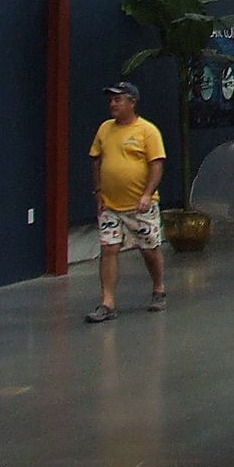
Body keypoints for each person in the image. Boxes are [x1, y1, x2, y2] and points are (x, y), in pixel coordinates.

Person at [86, 81, 166, 323]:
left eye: (118, 100)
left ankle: (159, 288)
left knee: (149, 249)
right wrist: (98, 191)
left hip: (140, 206)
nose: (113, 104)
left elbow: (157, 164)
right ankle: (107, 303)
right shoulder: (104, 129)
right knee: (108, 249)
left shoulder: (147, 131)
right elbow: (97, 161)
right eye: (111, 100)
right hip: (111, 205)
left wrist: (147, 194)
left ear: (132, 102)